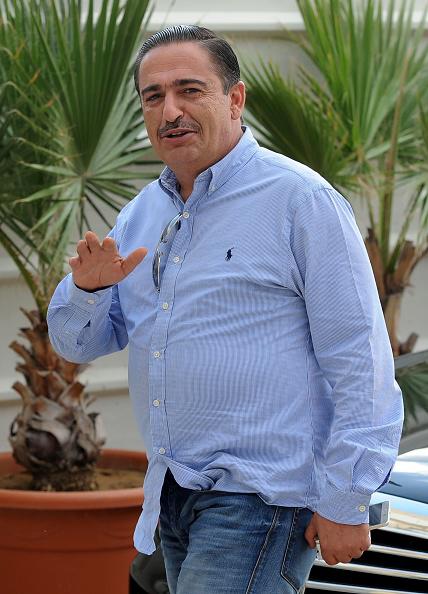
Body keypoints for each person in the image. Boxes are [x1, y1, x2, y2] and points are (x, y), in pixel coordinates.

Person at [47, 25, 403, 594]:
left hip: (259, 501)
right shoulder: (141, 215)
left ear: (235, 99)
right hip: (173, 494)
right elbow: (77, 344)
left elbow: (360, 361)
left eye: (190, 90)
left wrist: (347, 497)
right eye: (154, 96)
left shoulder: (301, 201)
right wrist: (86, 289)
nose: (170, 111)